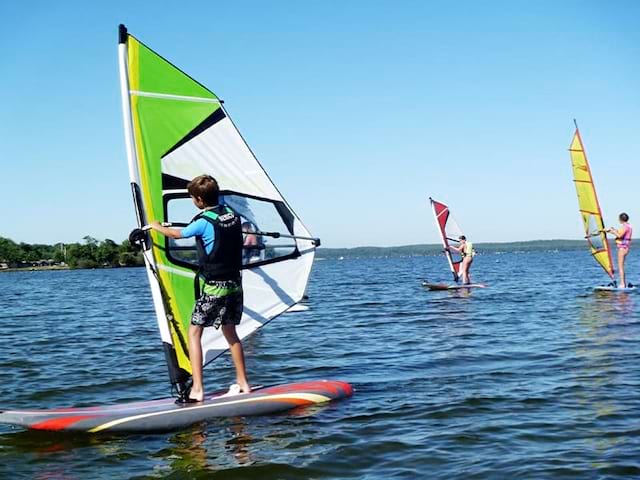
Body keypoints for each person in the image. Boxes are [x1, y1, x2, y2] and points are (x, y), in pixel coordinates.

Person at [150, 174, 250, 402]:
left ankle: (197, 389)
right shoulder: (232, 215)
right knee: (230, 331)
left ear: (199, 200)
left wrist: (156, 226)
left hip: (214, 288)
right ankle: (244, 382)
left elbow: (178, 234)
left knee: (194, 333)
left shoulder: (203, 221)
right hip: (235, 285)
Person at [607, 213, 632, 288]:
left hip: (622, 248)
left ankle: (622, 284)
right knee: (621, 266)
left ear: (620, 219)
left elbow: (619, 235)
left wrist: (613, 231)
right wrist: (611, 231)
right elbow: (620, 233)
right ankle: (623, 283)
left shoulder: (625, 227)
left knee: (620, 266)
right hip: (625, 247)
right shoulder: (628, 226)